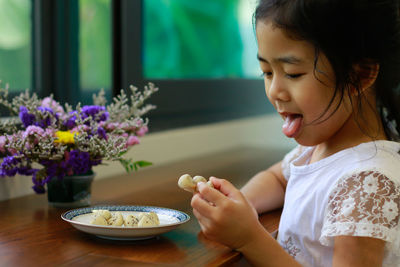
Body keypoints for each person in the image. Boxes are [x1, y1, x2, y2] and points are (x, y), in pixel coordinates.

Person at [190, 0, 400, 266]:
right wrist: (242, 204)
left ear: (360, 75)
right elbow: (279, 178)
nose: (274, 91)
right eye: (266, 72)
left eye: (292, 73)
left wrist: (249, 238)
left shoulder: (367, 183)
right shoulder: (320, 148)